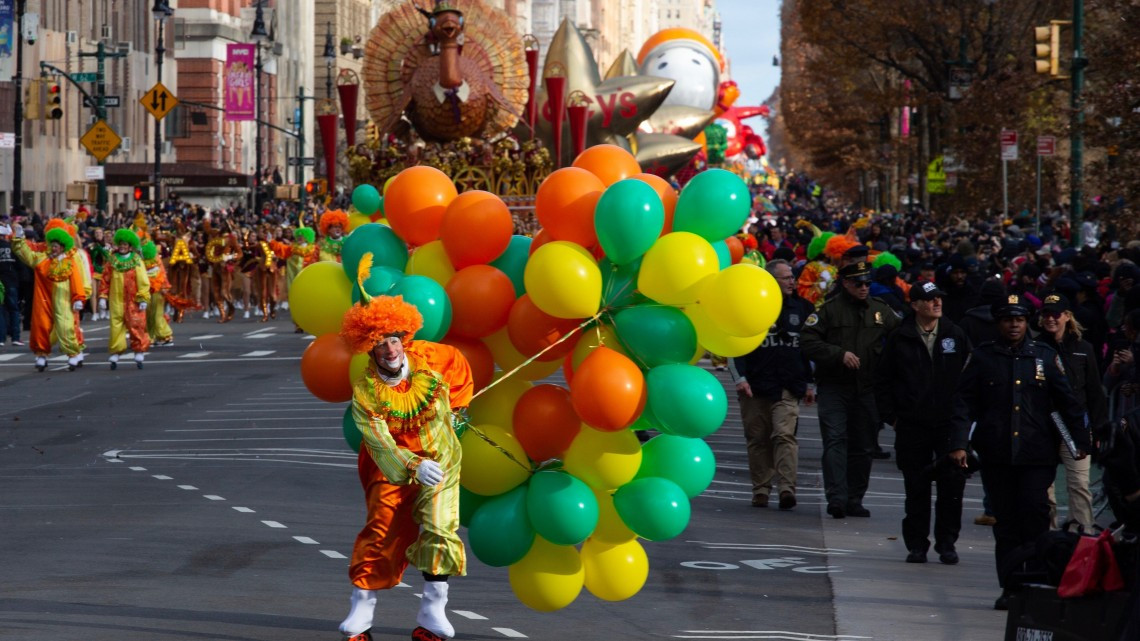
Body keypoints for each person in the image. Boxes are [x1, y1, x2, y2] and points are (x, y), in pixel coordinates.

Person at [338, 292, 474, 641]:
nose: (390, 350)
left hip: (442, 460)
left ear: (405, 338)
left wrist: (457, 410)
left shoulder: (431, 357)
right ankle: (362, 610)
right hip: (392, 467)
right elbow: (380, 443)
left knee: (441, 527)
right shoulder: (366, 391)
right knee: (382, 530)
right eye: (380, 343)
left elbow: (459, 365)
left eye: (394, 340)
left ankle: (432, 613)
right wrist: (413, 464)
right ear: (369, 349)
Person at [951, 293, 1088, 610]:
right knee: (1006, 525)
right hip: (998, 454)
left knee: (1035, 518)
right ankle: (1011, 587)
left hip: (1036, 454)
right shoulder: (983, 357)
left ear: (1027, 323)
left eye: (1020, 319)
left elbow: (1068, 402)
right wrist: (958, 444)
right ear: (998, 323)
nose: (1014, 325)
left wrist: (1081, 441)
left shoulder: (1044, 356)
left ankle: (1035, 585)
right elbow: (963, 403)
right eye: (1008, 320)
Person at [875, 280, 971, 564]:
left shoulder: (955, 334)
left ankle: (947, 544)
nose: (937, 303)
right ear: (915, 305)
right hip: (912, 425)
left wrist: (963, 426)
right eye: (930, 299)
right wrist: (892, 417)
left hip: (949, 425)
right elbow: (883, 380)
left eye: (939, 298)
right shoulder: (900, 336)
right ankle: (917, 544)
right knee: (916, 488)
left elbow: (969, 381)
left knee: (951, 488)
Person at [801, 259, 900, 519]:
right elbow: (808, 340)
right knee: (835, 440)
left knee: (864, 445)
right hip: (835, 386)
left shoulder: (880, 309)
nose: (864, 287)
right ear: (845, 283)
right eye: (858, 283)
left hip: (867, 388)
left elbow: (902, 334)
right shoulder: (829, 310)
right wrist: (838, 354)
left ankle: (855, 498)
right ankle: (837, 497)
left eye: (867, 283)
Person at [729, 259, 815, 510]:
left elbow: (811, 348)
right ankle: (761, 490)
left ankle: (787, 488)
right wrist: (740, 378)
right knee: (758, 439)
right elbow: (734, 345)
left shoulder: (803, 308)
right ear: (771, 280)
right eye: (786, 277)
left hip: (788, 385)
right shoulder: (750, 307)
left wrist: (810, 383)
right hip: (754, 386)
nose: (792, 281)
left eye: (792, 277)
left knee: (784, 435)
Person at [1037, 293, 1107, 531]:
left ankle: (1083, 533)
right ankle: (1046, 534)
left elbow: (1094, 391)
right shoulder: (1034, 347)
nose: (1050, 319)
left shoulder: (1083, 348)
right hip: (1043, 426)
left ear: (1067, 316)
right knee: (1043, 485)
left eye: (1055, 314)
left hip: (1076, 426)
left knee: (1079, 483)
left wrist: (1099, 429)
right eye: (1046, 314)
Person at [11, 223, 86, 370]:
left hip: (63, 300)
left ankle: (73, 354)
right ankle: (41, 355)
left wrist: (78, 297)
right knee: (41, 326)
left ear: (62, 247)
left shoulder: (69, 262)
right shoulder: (42, 259)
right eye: (52, 245)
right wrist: (19, 238)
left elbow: (76, 280)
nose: (53, 248)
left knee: (65, 326)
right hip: (43, 298)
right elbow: (26, 255)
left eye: (56, 246)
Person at [99, 229, 151, 370]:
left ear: (130, 246)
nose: (122, 246)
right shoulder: (112, 261)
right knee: (116, 325)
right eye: (120, 244)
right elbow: (105, 280)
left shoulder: (136, 260)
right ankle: (116, 351)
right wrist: (103, 296)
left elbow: (143, 280)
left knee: (136, 324)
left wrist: (143, 298)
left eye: (125, 244)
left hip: (133, 300)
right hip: (116, 299)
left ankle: (139, 350)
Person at [141, 240, 174, 347]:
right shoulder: (136, 259)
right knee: (147, 315)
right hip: (144, 290)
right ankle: (150, 337)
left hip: (157, 290)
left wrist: (164, 286)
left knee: (157, 314)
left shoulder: (155, 259)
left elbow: (162, 272)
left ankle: (165, 336)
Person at [0, 215, 24, 346]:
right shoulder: (12, 248)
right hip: (12, 282)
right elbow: (20, 266)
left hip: (0, 283)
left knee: (0, 310)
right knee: (14, 310)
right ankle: (15, 337)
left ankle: (1, 338)